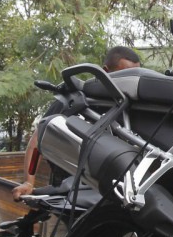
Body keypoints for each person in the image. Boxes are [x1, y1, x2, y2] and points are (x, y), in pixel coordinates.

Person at [11, 46, 141, 199]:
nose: (129, 80)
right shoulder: (76, 101)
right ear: (105, 72)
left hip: (110, 192)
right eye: (124, 74)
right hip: (67, 191)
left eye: (135, 75)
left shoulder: (133, 108)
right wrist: (29, 182)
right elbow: (37, 140)